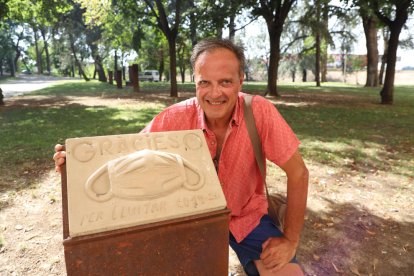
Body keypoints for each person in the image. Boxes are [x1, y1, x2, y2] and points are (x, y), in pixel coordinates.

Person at [54, 37, 309, 275]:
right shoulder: (174, 118)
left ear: (241, 80)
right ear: (195, 82)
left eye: (225, 82)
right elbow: (127, 153)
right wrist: (76, 163)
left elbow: (298, 172)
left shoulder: (259, 112)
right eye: (205, 82)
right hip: (187, 221)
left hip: (245, 216)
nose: (214, 93)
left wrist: (290, 240)